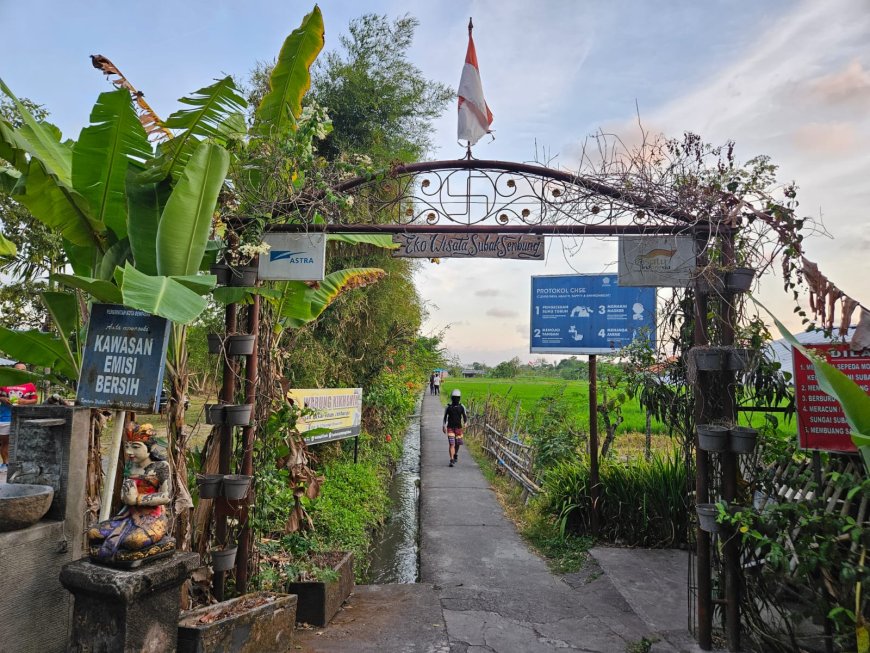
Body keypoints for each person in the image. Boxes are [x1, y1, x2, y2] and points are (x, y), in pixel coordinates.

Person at [87, 423, 175, 567]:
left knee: (133, 541)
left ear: (150, 448)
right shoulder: (130, 465)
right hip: (127, 515)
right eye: (128, 446)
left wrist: (138, 499)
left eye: (135, 447)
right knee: (93, 533)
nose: (129, 451)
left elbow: (166, 496)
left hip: (152, 517)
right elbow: (126, 492)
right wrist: (126, 498)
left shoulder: (161, 466)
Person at [0, 363, 38, 472]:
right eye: (18, 369)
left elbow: (34, 400)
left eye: (23, 370)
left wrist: (25, 401)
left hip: (24, 416)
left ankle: (21, 464)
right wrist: (3, 399)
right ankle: (5, 464)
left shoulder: (30, 384)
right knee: (5, 442)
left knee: (23, 441)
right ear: (13, 371)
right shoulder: (4, 382)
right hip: (5, 416)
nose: (21, 371)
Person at [442, 389, 468, 467]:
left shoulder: (462, 407)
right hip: (450, 427)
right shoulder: (448, 407)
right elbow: (445, 417)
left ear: (459, 398)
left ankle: (455, 454)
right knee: (451, 444)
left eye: (457, 397)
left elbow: (465, 416)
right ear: (452, 398)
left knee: (457, 444)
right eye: (454, 397)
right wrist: (444, 426)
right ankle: (452, 459)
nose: (455, 399)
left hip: (458, 428)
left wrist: (466, 423)